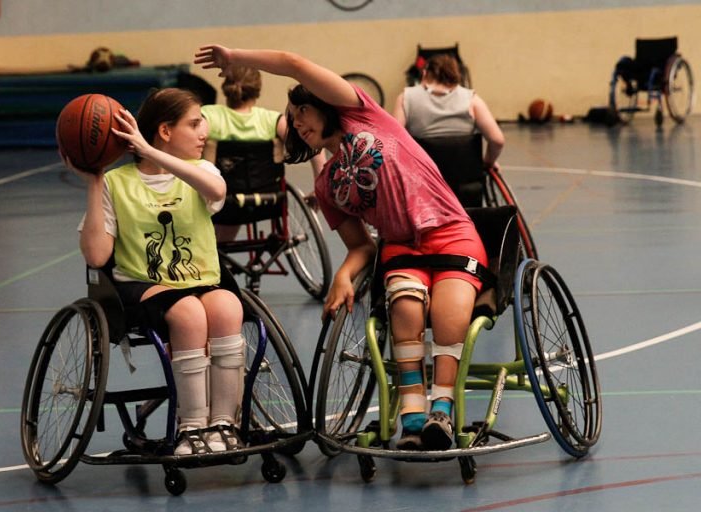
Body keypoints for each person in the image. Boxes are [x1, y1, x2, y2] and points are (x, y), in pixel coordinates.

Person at [195, 45, 488, 451]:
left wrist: (236, 57)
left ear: (324, 106)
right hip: (401, 247)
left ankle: (443, 406)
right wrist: (344, 275)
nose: (297, 124)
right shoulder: (326, 185)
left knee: (447, 311)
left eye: (302, 113)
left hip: (451, 231)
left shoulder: (361, 113)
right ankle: (414, 415)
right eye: (292, 120)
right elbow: (361, 246)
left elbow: (294, 63)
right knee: (405, 306)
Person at [68, 87, 245, 456]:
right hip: (145, 286)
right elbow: (97, 255)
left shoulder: (202, 171)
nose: (204, 131)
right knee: (189, 314)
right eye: (194, 123)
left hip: (202, 280)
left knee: (228, 307)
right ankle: (192, 425)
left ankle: (225, 423)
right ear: (165, 131)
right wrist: (95, 180)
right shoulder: (117, 183)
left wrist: (149, 152)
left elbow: (216, 190)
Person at [201, 64, 325, 241]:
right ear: (257, 90)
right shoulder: (272, 120)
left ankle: (215, 250)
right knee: (238, 196)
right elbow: (311, 147)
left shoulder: (208, 116)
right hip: (267, 200)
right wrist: (319, 186)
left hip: (221, 201)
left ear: (226, 87)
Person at [392, 53, 505, 172]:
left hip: (423, 177)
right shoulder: (471, 99)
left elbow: (393, 139)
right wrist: (488, 162)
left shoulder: (406, 97)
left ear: (425, 73)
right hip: (465, 177)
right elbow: (497, 140)